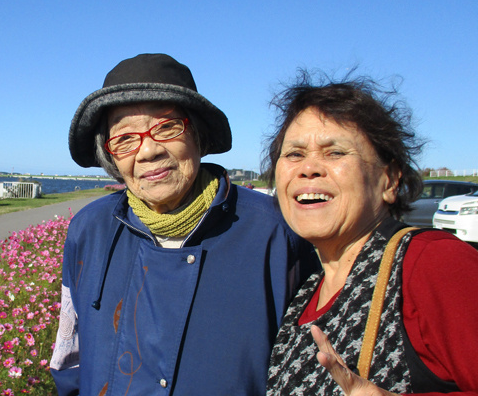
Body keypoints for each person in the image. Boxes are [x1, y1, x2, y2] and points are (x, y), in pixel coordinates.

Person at [50, 53, 319, 395]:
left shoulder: (275, 231)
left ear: (198, 134)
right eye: (124, 139)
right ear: (111, 155)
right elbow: (68, 355)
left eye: (166, 127)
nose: (148, 151)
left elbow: (308, 368)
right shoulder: (89, 229)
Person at [263, 70, 478, 395]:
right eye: (294, 154)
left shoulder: (431, 263)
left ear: (389, 180)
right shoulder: (306, 292)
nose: (308, 168)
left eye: (334, 152)